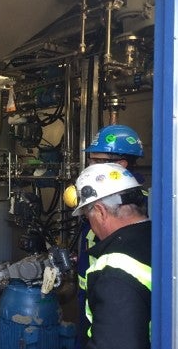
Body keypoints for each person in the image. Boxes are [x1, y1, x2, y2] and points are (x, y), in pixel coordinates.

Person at [72, 124, 145, 349]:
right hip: (92, 293)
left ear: (121, 164)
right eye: (91, 161)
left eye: (97, 161)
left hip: (113, 293)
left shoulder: (137, 204)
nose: (91, 166)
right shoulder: (117, 201)